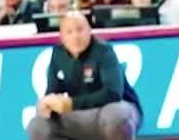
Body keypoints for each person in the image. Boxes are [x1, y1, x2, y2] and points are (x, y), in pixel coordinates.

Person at [28, 9, 142, 140]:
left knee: (116, 115)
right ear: (62, 36)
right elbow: (51, 92)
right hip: (79, 116)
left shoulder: (104, 51)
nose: (75, 36)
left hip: (108, 110)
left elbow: (113, 93)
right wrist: (46, 104)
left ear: (89, 30)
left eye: (80, 30)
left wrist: (72, 104)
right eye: (69, 32)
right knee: (38, 124)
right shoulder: (57, 54)